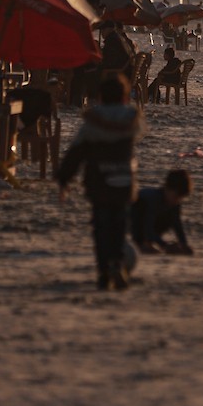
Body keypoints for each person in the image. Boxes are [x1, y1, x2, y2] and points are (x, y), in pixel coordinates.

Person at [57, 73, 145, 291]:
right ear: (125, 97)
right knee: (119, 225)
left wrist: (64, 178)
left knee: (100, 226)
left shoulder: (93, 121)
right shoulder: (132, 119)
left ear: (101, 97)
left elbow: (77, 152)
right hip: (124, 180)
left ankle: (104, 269)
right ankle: (117, 261)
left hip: (99, 181)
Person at [132, 169, 194, 255]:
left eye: (180, 198)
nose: (176, 201)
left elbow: (177, 225)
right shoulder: (152, 199)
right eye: (175, 196)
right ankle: (143, 243)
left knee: (172, 217)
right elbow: (148, 228)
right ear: (167, 189)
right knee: (140, 212)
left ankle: (148, 243)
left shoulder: (174, 203)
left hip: (148, 225)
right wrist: (165, 245)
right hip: (132, 219)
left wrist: (184, 245)